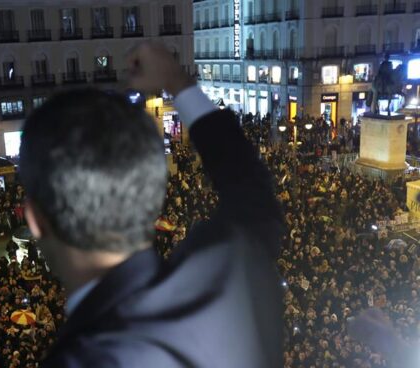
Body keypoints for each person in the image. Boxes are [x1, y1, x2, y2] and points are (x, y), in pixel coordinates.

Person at [19, 42, 284, 367]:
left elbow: (252, 194)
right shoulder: (228, 273)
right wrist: (177, 81)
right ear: (152, 192)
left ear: (34, 219)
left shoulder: (81, 359)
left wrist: (178, 84)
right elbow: (253, 196)